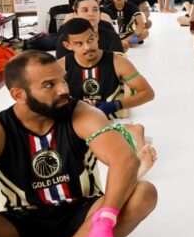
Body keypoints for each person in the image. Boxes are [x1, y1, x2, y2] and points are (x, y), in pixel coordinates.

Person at [0, 51, 157, 237]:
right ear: (18, 95)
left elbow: (125, 160)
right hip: (21, 225)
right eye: (49, 85)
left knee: (144, 193)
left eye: (63, 80)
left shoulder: (82, 113)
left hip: (83, 219)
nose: (63, 89)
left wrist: (105, 221)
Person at [57, 19, 157, 177]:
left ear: (96, 36)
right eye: (79, 44)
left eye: (90, 40)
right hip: (78, 124)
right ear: (68, 46)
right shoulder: (60, 67)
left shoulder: (118, 61)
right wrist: (74, 106)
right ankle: (130, 137)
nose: (87, 47)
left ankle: (136, 159)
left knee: (116, 138)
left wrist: (115, 105)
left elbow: (148, 93)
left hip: (109, 120)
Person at [56, 0, 124, 59]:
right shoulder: (66, 39)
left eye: (95, 10)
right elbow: (62, 65)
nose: (91, 14)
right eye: (85, 10)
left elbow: (120, 63)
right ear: (76, 14)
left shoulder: (112, 36)